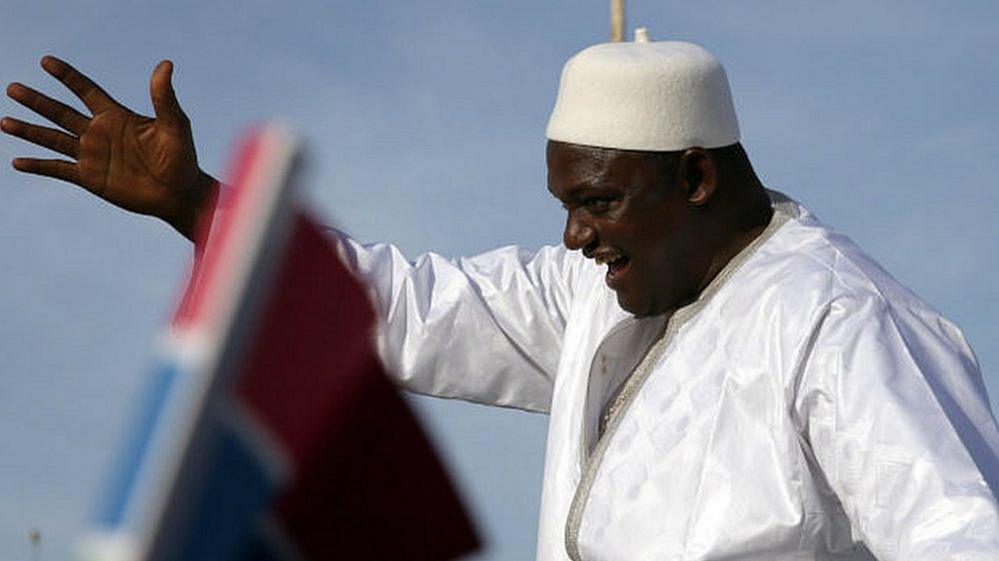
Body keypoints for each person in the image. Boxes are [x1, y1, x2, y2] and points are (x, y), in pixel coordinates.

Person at [4, 38, 999, 561]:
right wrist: (199, 206)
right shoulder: (599, 294)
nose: (575, 235)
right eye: (566, 205)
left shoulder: (842, 323)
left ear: (696, 177)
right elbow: (402, 310)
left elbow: (965, 541)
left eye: (599, 201)